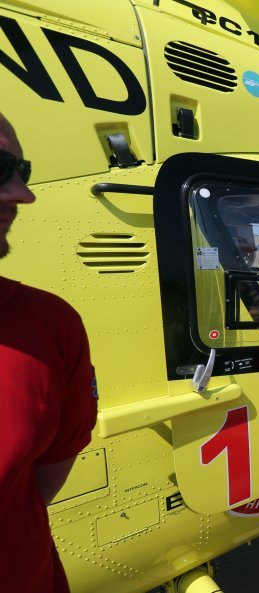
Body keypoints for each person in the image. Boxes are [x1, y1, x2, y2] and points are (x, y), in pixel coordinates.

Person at [0, 112, 98, 592]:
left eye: (23, 172)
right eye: (0, 169)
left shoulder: (50, 325)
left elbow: (37, 484)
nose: (23, 194)